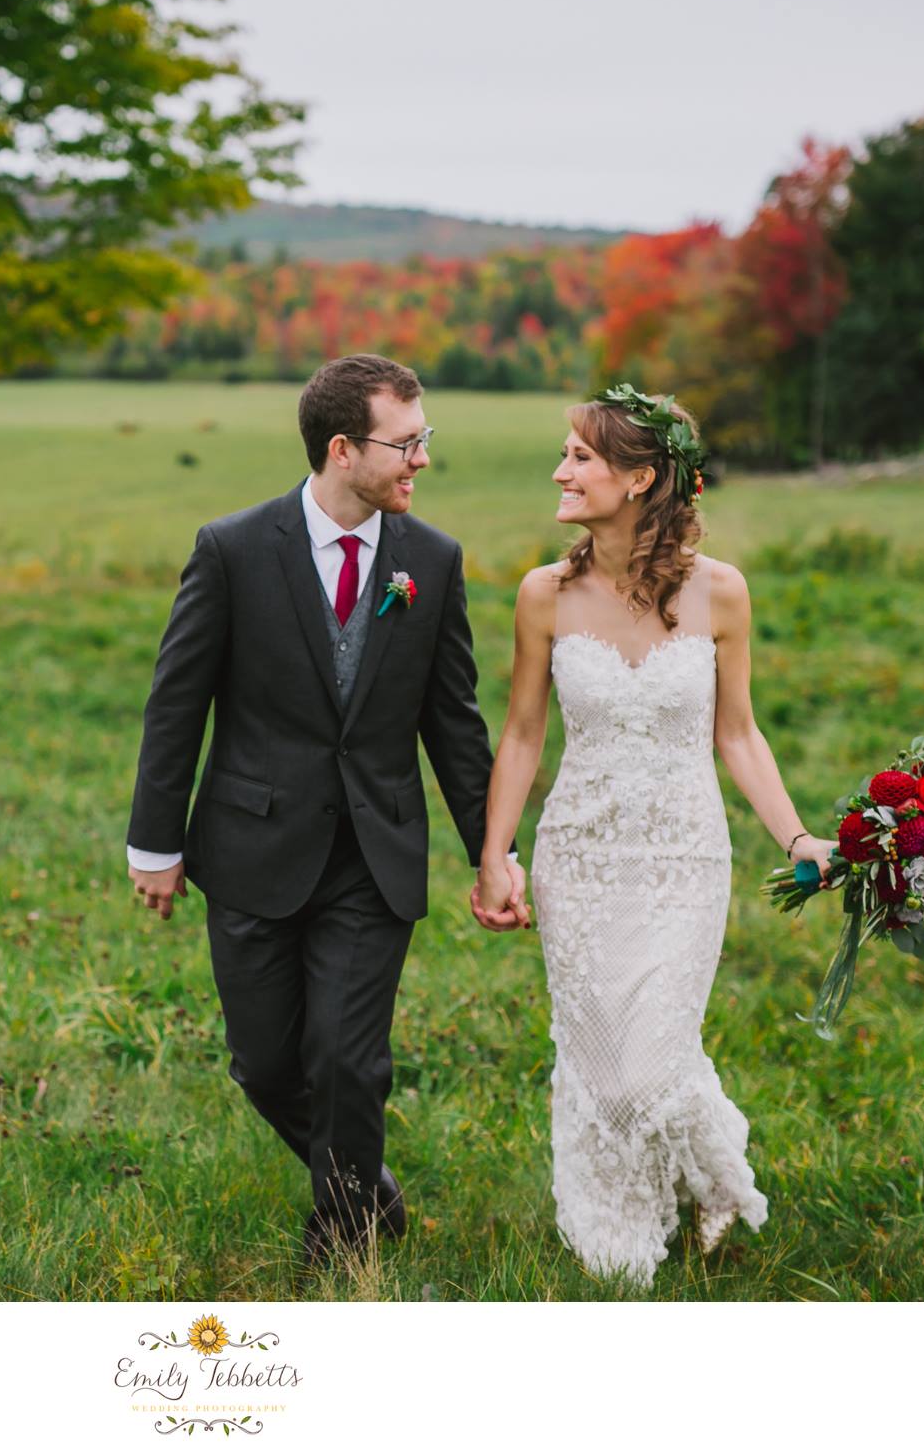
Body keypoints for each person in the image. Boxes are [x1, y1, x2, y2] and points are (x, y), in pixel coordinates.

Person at [126, 353, 524, 1268]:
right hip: (251, 845)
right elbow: (176, 702)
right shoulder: (231, 548)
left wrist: (490, 851)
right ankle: (370, 1187)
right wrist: (155, 841)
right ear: (343, 450)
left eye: (427, 439)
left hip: (372, 855)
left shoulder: (431, 560)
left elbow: (454, 722)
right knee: (266, 1065)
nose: (422, 459)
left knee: (349, 1061)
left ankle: (344, 1246)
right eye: (407, 442)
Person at [474, 384, 835, 1287]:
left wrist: (795, 837)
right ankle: (617, 1232)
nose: (560, 470)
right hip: (581, 858)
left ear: (640, 478)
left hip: (684, 856)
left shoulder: (722, 593)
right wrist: (495, 853)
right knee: (598, 1055)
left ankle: (713, 1180)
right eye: (564, 453)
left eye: (580, 457)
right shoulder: (544, 594)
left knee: (654, 1058)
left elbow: (738, 733)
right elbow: (521, 733)